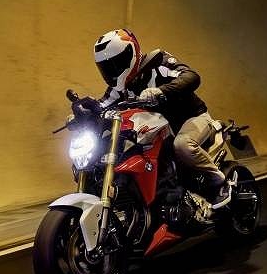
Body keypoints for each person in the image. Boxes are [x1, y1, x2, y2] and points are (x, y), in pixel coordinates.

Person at [93, 28, 231, 208]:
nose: (112, 71)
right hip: (160, 130)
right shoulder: (121, 87)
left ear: (130, 55)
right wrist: (83, 110)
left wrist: (160, 91)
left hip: (191, 118)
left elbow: (191, 76)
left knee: (183, 145)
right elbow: (103, 104)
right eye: (106, 68)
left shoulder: (158, 63)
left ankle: (219, 182)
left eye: (115, 64)